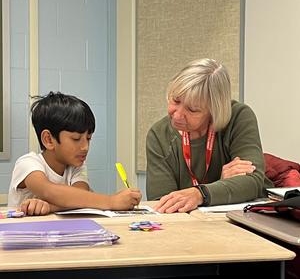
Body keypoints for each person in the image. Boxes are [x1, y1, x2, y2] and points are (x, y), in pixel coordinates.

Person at [146, 58, 273, 213]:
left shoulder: (239, 117)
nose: (178, 115)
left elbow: (252, 182)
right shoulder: (158, 135)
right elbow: (164, 202)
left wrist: (200, 194)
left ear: (214, 110)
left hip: (249, 217)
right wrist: (221, 185)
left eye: (192, 110)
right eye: (175, 100)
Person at [8, 91, 142, 215]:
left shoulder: (77, 165)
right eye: (76, 139)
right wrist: (112, 201)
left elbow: (80, 196)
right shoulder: (27, 164)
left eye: (88, 138)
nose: (85, 147)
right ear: (48, 139)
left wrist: (50, 207)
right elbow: (50, 191)